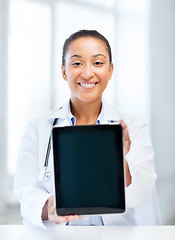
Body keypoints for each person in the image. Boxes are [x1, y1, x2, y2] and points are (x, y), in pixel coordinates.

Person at [14, 30, 157, 228]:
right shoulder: (37, 129)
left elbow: (142, 193)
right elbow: (26, 192)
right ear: (64, 71)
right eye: (77, 63)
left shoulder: (133, 126)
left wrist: (119, 159)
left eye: (98, 63)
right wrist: (49, 207)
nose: (88, 72)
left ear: (110, 70)